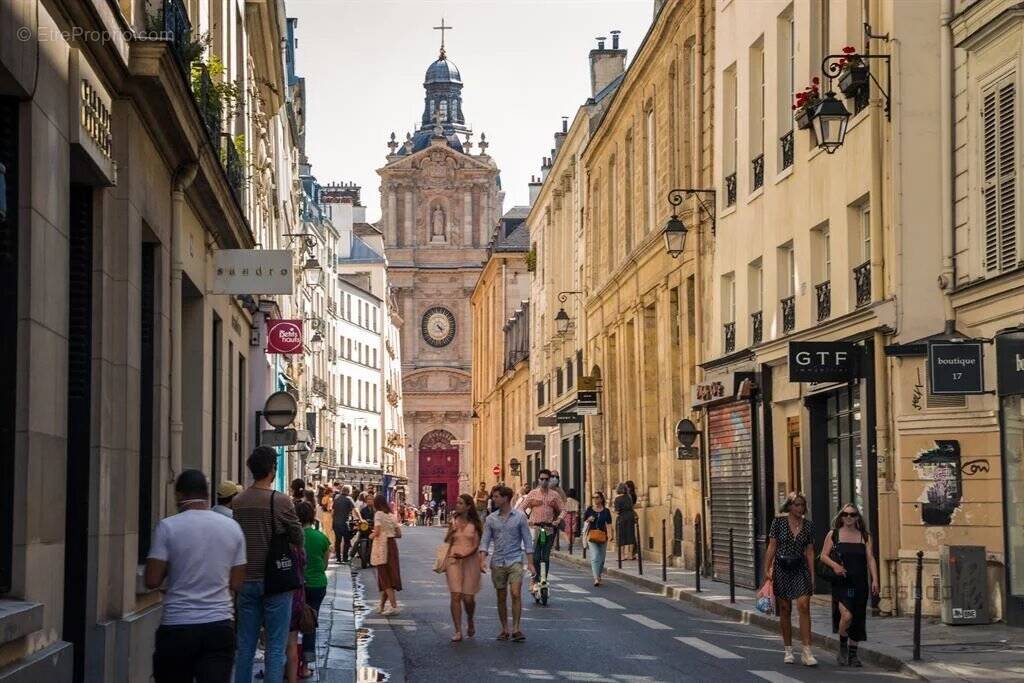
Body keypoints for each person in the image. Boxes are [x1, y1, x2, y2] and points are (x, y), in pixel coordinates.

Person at [145, 469, 246, 683]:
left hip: (177, 625)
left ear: (179, 495)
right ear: (207, 495)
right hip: (219, 625)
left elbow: (152, 580)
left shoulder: (168, 527)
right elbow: (237, 583)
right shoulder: (233, 528)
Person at [232, 446, 305, 683]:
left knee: (245, 647)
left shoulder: (238, 501)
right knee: (275, 646)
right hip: (276, 580)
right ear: (272, 470)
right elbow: (298, 536)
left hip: (246, 579)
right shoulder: (280, 501)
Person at [820, 503, 879, 667]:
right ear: (841, 516)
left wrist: (875, 579)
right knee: (847, 616)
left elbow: (870, 559)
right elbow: (823, 556)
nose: (849, 517)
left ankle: (853, 654)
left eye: (852, 515)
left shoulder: (865, 536)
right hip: (842, 583)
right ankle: (843, 649)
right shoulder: (834, 535)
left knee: (858, 618)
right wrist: (835, 566)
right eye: (845, 514)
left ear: (857, 517)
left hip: (860, 582)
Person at [765, 492, 818, 667]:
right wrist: (767, 569)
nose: (800, 508)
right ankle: (788, 649)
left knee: (804, 606)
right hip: (782, 567)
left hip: (800, 567)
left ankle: (807, 651)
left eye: (802, 505)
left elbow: (810, 551)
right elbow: (772, 546)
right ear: (789, 506)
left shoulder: (808, 526)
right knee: (785, 608)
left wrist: (812, 575)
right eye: (796, 504)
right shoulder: (778, 522)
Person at [480, 485, 534, 642]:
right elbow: (485, 541)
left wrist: (530, 563)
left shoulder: (520, 517)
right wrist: (482, 559)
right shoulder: (491, 519)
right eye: (493, 496)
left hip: (515, 559)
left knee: (516, 593)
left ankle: (516, 629)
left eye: (496, 496)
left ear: (505, 498)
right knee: (501, 596)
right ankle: (504, 628)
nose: (493, 499)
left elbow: (527, 540)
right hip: (498, 561)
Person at [516, 469, 563, 594]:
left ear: (549, 480)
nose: (544, 481)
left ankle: (543, 579)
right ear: (538, 480)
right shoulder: (533, 494)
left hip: (548, 529)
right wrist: (527, 520)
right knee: (536, 557)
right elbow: (521, 508)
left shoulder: (554, 495)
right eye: (542, 479)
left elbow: (563, 509)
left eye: (546, 479)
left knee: (546, 557)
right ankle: (534, 579)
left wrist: (558, 520)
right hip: (535, 529)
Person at [444, 494, 483, 642]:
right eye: (457, 502)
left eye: (461, 503)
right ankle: (458, 630)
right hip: (453, 560)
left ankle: (470, 619)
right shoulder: (453, 521)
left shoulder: (475, 524)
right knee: (455, 595)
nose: (457, 505)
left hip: (470, 561)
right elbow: (447, 540)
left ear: (468, 506)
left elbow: (476, 546)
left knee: (468, 598)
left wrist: (465, 555)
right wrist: (451, 530)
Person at [297, 501, 329, 678]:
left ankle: (290, 663)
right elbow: (324, 565)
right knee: (310, 624)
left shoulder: (293, 536)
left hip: (296, 585)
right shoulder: (321, 537)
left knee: (291, 625)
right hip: (317, 585)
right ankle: (305, 666)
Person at [370, 493, 402, 614]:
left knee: (384, 576)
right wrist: (389, 533)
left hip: (382, 546)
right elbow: (399, 534)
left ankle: (394, 606)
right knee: (388, 574)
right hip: (392, 545)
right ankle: (382, 606)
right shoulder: (391, 516)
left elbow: (377, 531)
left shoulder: (378, 514)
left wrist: (371, 535)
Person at [582, 492, 613, 586]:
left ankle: (599, 575)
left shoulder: (606, 511)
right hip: (592, 536)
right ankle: (596, 578)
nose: (595, 499)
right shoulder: (589, 510)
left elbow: (609, 524)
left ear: (601, 499)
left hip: (603, 536)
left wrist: (610, 535)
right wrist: (588, 519)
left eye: (597, 497)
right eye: (593, 497)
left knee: (602, 558)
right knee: (595, 556)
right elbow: (585, 521)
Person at [332, 485, 356, 564]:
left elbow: (332, 512)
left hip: (336, 523)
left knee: (337, 540)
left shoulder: (337, 499)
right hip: (344, 523)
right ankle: (345, 558)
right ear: (349, 491)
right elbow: (355, 510)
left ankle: (338, 558)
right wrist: (361, 519)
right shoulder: (349, 499)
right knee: (346, 540)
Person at [613, 483, 637, 560]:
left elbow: (617, 511)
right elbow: (631, 508)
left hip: (622, 518)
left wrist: (614, 511)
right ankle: (630, 554)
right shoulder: (629, 497)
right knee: (631, 535)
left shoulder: (617, 499)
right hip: (630, 517)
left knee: (621, 536)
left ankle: (622, 555)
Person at [320, 485, 335, 550]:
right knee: (330, 531)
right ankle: (330, 545)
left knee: (325, 530)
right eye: (332, 492)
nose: (333, 493)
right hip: (329, 516)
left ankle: (324, 543)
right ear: (329, 492)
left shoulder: (323, 498)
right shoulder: (330, 499)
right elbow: (330, 509)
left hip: (324, 515)